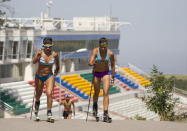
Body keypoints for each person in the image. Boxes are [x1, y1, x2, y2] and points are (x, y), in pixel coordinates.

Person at [32, 37, 59, 122]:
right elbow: (34, 62)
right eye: (46, 46)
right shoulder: (39, 52)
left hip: (49, 76)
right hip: (39, 76)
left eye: (49, 46)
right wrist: (38, 56)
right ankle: (36, 111)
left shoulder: (55, 54)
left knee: (49, 93)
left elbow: (58, 66)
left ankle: (49, 113)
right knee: (38, 94)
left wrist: (55, 75)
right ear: (43, 46)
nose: (48, 48)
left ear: (52, 46)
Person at [88, 37, 115, 122]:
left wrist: (113, 76)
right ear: (99, 45)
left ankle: (105, 113)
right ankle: (95, 106)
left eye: (105, 46)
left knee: (106, 92)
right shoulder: (95, 51)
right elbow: (90, 62)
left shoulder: (110, 53)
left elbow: (113, 65)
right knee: (96, 92)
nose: (103, 48)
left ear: (107, 45)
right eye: (101, 46)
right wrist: (92, 63)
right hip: (96, 73)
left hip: (105, 73)